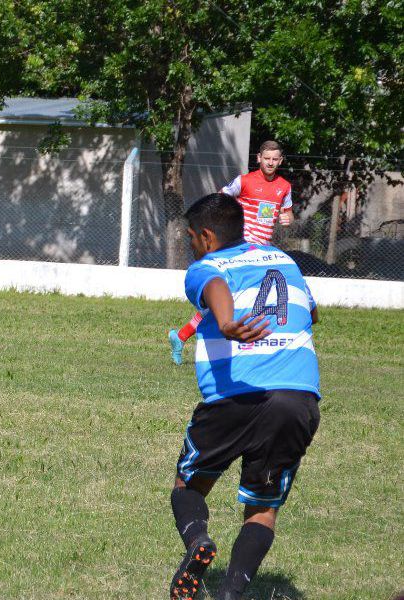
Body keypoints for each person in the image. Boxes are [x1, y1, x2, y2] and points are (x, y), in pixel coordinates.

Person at [168, 193, 320, 600]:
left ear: (206, 237)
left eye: (190, 239)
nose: (190, 247)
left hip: (236, 398)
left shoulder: (206, 266)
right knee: (263, 508)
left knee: (188, 485)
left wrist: (225, 322)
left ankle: (198, 540)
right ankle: (231, 593)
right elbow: (313, 312)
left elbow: (215, 284)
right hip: (298, 399)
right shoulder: (283, 260)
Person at [169, 141, 294, 365]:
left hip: (262, 252)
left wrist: (288, 218)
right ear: (259, 158)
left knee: (237, 302)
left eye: (275, 159)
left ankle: (181, 336)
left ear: (280, 161)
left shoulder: (284, 186)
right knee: (234, 300)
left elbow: (288, 212)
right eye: (267, 158)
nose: (271, 163)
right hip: (240, 248)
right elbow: (221, 200)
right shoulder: (244, 181)